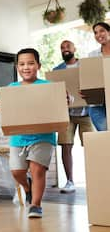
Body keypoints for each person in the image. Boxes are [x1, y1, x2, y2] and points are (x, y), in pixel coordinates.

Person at [0, 48, 56, 219]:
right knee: (17, 171)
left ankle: (36, 205)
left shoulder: (47, 86)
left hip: (43, 136)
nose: (26, 67)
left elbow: (64, 99)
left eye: (30, 63)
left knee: (37, 170)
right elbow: (0, 103)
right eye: (22, 64)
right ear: (17, 67)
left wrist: (68, 99)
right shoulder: (11, 88)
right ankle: (27, 187)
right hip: (18, 137)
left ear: (38, 65)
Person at [53, 40, 94, 194]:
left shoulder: (84, 66)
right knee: (66, 145)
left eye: (67, 47)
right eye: (62, 47)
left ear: (74, 49)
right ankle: (70, 181)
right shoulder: (57, 70)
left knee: (91, 147)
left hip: (86, 113)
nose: (64, 49)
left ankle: (94, 178)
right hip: (67, 114)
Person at [87, 22, 110, 131]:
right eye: (95, 32)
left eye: (102, 31)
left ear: (108, 32)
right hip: (97, 104)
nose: (98, 34)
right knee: (106, 135)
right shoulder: (92, 55)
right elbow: (89, 78)